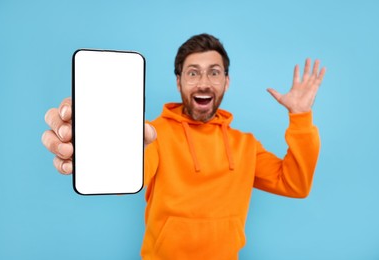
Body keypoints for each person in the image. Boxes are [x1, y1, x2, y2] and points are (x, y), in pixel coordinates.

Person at [42, 33, 326, 259]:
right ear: (178, 82)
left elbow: (295, 185)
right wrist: (101, 148)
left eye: (214, 73)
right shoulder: (154, 134)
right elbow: (131, 177)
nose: (203, 83)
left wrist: (300, 118)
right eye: (193, 73)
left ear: (226, 83)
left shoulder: (245, 145)